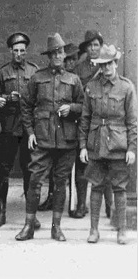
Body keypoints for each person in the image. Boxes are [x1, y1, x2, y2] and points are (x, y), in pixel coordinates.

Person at [16, 33, 83, 242]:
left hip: (66, 140)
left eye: (60, 52)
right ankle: (29, 226)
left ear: (65, 54)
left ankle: (56, 227)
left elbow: (84, 107)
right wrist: (30, 132)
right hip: (42, 139)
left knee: (60, 182)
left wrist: (71, 108)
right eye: (53, 52)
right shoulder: (38, 77)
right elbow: (25, 105)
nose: (57, 55)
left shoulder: (74, 80)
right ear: (49, 55)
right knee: (35, 181)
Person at [78, 44, 136, 245]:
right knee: (96, 186)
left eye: (109, 64)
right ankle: (93, 230)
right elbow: (85, 118)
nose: (106, 68)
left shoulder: (126, 87)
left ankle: (121, 230)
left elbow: (132, 121)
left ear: (116, 63)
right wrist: (83, 146)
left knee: (119, 188)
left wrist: (132, 148)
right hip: (95, 144)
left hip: (118, 144)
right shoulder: (91, 87)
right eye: (102, 65)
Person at [0, 32, 39, 228]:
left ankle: (31, 215)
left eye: (22, 50)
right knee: (4, 169)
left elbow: (38, 97)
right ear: (10, 51)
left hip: (28, 127)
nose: (19, 54)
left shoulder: (34, 71)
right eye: (16, 50)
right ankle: (1, 212)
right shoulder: (2, 72)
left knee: (30, 170)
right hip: (9, 127)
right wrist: (3, 98)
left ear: (26, 51)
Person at [70, 29, 105, 219]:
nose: (93, 48)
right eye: (90, 45)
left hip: (101, 122)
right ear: (86, 48)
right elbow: (76, 95)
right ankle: (82, 205)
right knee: (82, 164)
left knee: (102, 162)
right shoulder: (78, 69)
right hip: (84, 120)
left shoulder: (106, 67)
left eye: (96, 45)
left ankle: (105, 207)